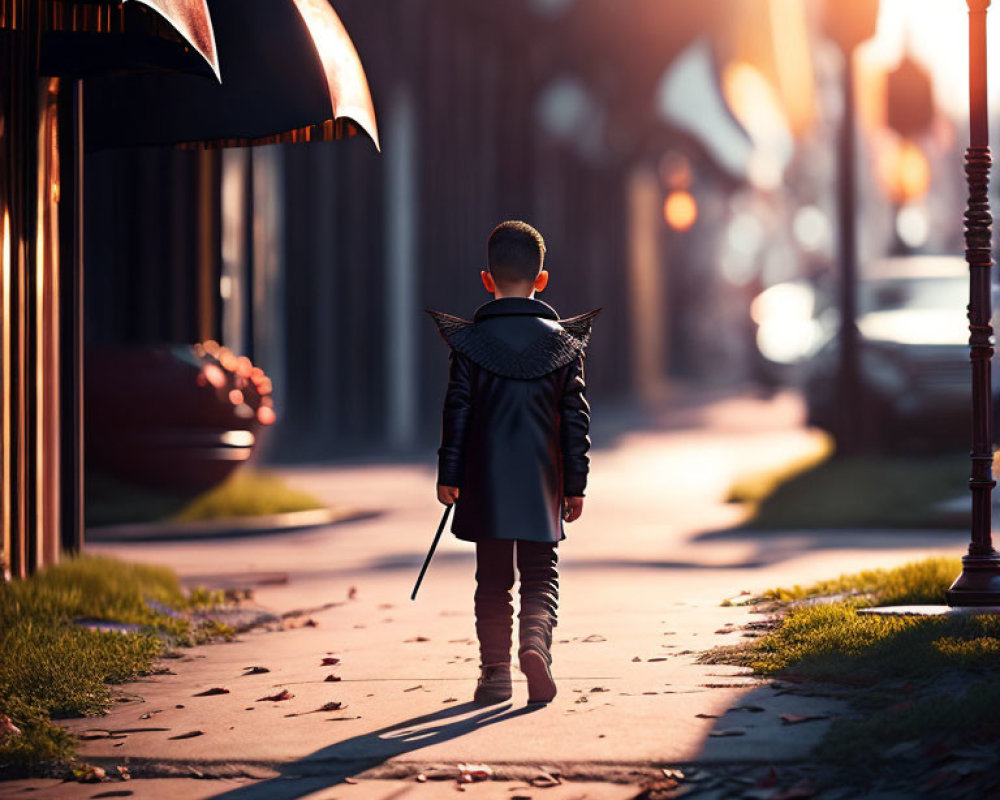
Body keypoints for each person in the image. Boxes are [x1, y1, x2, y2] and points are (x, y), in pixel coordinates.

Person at [428, 220, 598, 705]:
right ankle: (534, 644)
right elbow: (575, 419)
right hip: (544, 480)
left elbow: (456, 410)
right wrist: (575, 485)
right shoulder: (564, 343)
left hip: (487, 482)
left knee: (493, 581)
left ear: (488, 280)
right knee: (541, 574)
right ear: (541, 281)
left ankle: (495, 673)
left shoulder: (470, 343)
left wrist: (450, 474)